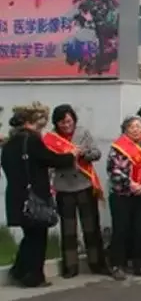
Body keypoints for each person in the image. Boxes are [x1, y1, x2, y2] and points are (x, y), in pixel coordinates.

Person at [2, 105, 73, 287]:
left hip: (17, 195)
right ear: (30, 122)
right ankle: (33, 276)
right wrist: (71, 156)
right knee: (38, 237)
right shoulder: (31, 140)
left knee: (29, 236)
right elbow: (49, 159)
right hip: (34, 196)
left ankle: (19, 271)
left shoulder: (10, 142)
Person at [45, 104, 107, 278]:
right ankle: (70, 266)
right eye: (62, 122)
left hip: (85, 184)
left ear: (74, 120)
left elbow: (96, 153)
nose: (66, 125)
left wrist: (83, 153)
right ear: (56, 123)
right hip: (64, 187)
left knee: (91, 226)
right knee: (68, 229)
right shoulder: (51, 139)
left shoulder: (83, 133)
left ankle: (97, 263)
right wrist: (68, 156)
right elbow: (49, 162)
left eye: (68, 121)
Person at [107, 114, 141, 280]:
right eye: (132, 127)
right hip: (122, 195)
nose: (136, 130)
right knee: (121, 229)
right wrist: (131, 184)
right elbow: (114, 170)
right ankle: (118, 264)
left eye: (139, 127)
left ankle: (140, 264)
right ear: (125, 129)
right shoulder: (118, 147)